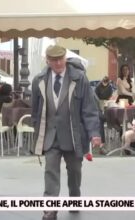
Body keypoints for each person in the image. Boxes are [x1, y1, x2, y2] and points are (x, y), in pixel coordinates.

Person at [31, 45, 101, 220]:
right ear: (47, 61)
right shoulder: (39, 80)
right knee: (50, 171)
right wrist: (37, 130)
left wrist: (94, 133)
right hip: (50, 135)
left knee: (74, 171)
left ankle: (74, 197)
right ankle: (50, 209)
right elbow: (35, 111)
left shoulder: (79, 79)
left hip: (73, 135)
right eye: (54, 60)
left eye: (61, 59)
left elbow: (89, 109)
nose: (58, 63)